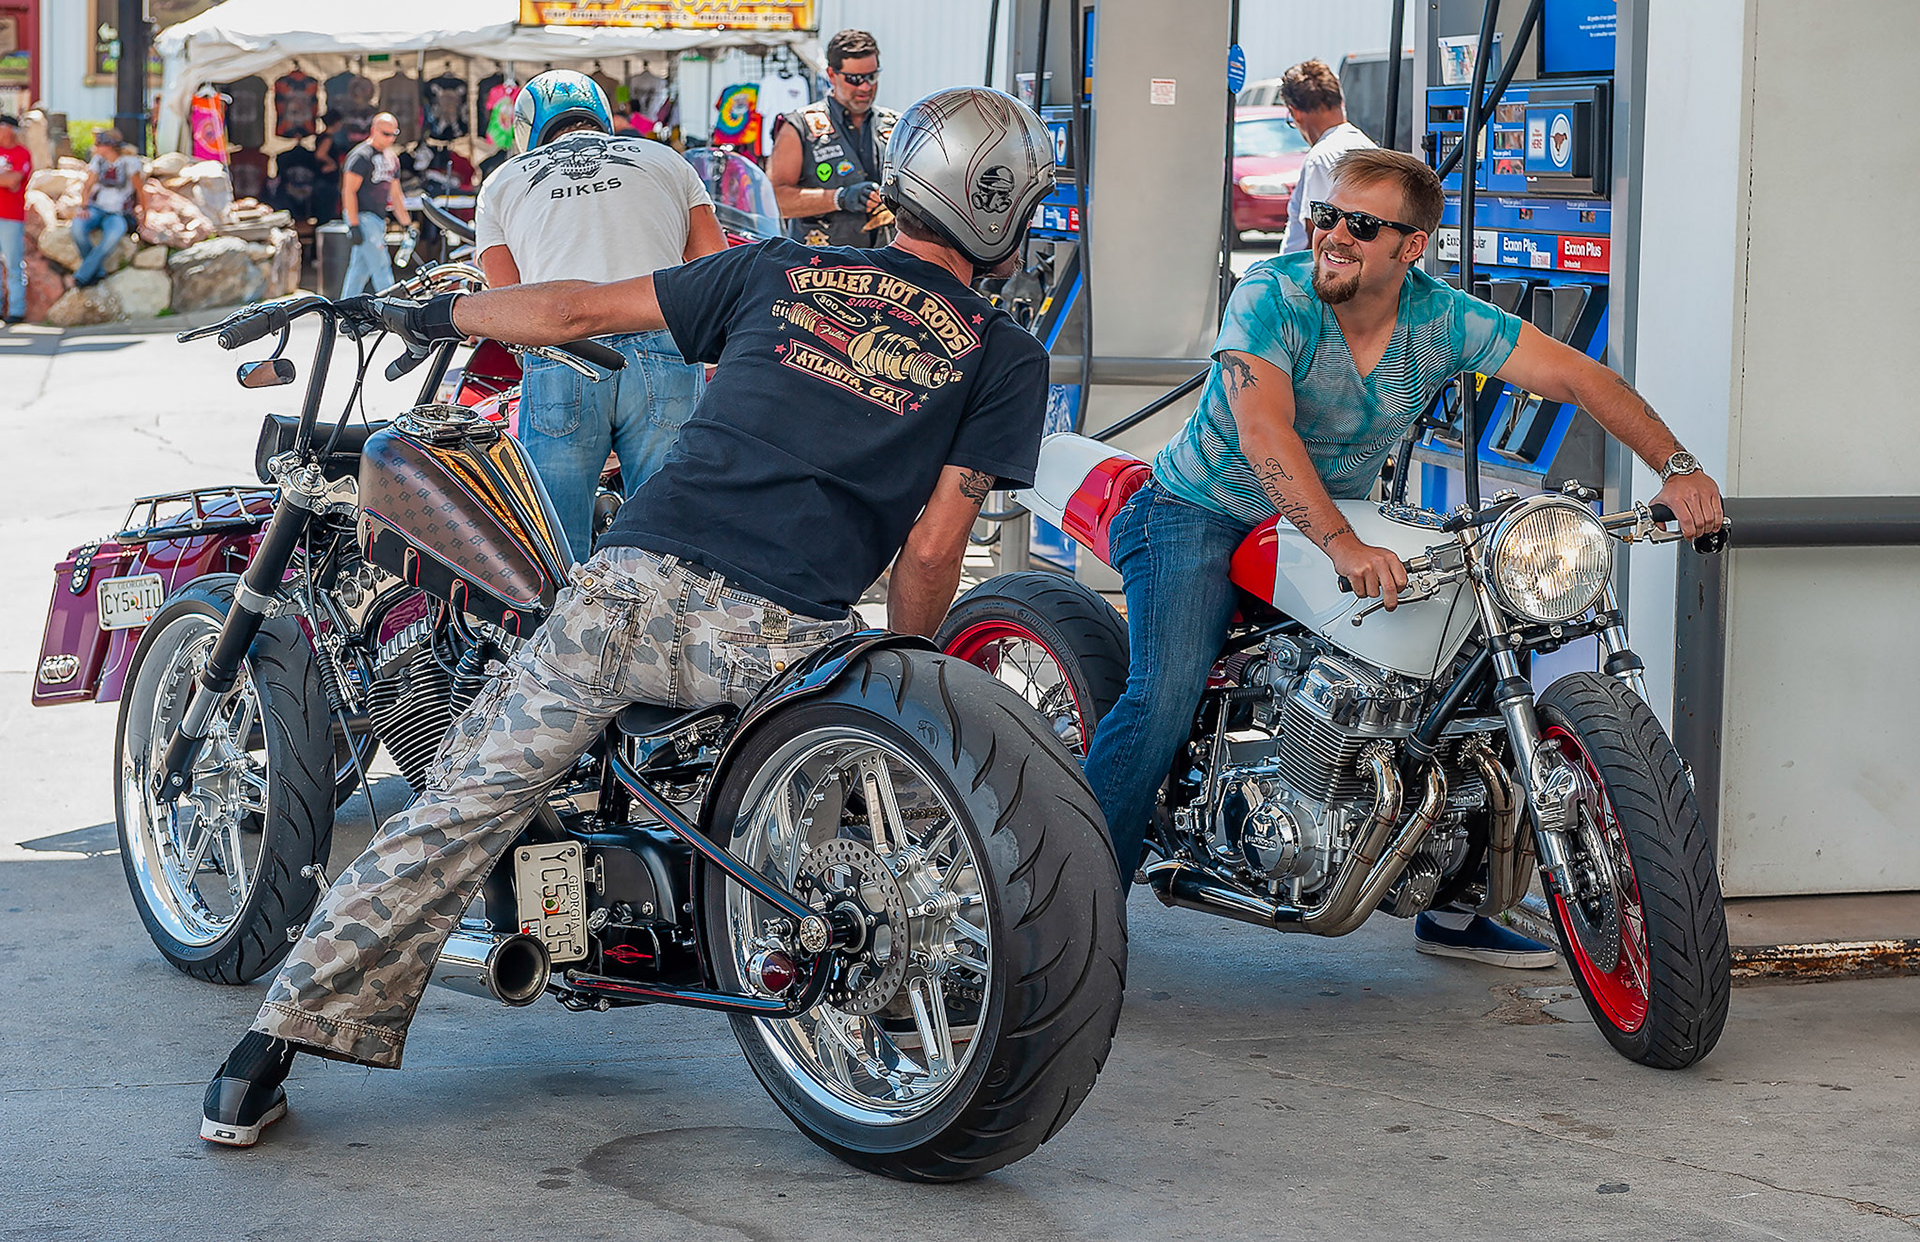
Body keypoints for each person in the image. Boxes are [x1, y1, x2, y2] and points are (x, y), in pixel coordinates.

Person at [199, 86, 1058, 1148]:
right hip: (792, 636)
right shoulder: (1007, 356)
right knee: (846, 792)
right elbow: (934, 549)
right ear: (1010, 221)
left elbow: (570, 312)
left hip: (635, 596)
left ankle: (266, 1051)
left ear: (899, 184)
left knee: (466, 800)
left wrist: (433, 312)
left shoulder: (780, 268)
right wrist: (908, 693)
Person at [1083, 148, 1726, 968]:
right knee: (1163, 698)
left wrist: (1676, 465)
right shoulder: (1272, 296)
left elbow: (1578, 375)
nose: (1332, 235)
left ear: (1411, 247)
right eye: (1325, 215)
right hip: (1196, 510)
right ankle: (1080, 906)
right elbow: (1262, 432)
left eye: (1360, 223)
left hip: (1338, 513)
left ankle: (1456, 895)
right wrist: (1344, 544)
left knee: (1455, 679)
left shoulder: (1442, 318)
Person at [474, 70, 728, 558]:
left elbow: (507, 301)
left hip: (563, 354)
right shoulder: (664, 159)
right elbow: (714, 268)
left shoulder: (503, 182)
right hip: (664, 340)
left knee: (554, 547)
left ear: (529, 126)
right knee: (670, 534)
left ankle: (562, 630)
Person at [768, 29, 899, 247]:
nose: (866, 87)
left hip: (885, 267)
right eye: (855, 79)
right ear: (831, 75)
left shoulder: (897, 125)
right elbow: (775, 200)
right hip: (822, 269)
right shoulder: (799, 126)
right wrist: (840, 198)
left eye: (872, 77)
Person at [1277, 60, 1375, 256]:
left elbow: (1317, 233)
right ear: (1341, 102)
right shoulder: (1369, 148)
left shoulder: (1320, 158)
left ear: (1295, 113)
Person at [339, 112, 412, 298]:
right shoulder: (360, 156)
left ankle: (344, 309)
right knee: (381, 265)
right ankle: (393, 306)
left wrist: (407, 224)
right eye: (385, 134)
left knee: (359, 269)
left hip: (379, 218)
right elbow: (348, 191)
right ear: (373, 130)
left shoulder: (392, 158)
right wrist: (353, 224)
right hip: (363, 216)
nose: (389, 138)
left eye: (393, 134)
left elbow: (395, 194)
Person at [70, 128, 144, 287]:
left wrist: (144, 213)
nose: (95, 147)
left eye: (98, 143)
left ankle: (82, 276)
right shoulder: (98, 161)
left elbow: (139, 190)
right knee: (77, 228)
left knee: (111, 238)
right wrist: (83, 207)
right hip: (96, 208)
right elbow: (87, 186)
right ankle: (97, 271)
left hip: (118, 213)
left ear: (108, 146)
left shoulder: (130, 163)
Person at [0, 114, 28, 326]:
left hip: (11, 216)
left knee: (13, 264)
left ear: (9, 129)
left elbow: (13, 180)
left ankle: (17, 310)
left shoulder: (21, 153)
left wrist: (8, 180)